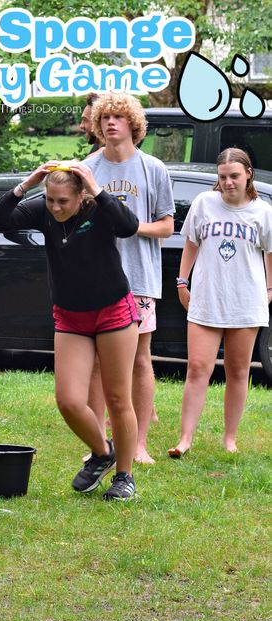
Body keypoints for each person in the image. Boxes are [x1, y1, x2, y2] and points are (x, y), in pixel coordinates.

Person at [0, 161, 140, 500]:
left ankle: (125, 477)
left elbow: (128, 227)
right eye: (51, 199)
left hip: (113, 311)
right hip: (70, 316)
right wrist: (28, 183)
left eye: (63, 202)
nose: (55, 208)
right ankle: (103, 453)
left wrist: (95, 187)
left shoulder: (98, 209)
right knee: (69, 400)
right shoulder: (43, 208)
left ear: (81, 196)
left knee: (117, 397)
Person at [83, 92, 175, 464]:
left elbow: (168, 226)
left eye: (119, 117)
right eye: (105, 117)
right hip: (96, 278)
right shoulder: (87, 168)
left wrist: (132, 226)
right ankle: (98, 444)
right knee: (97, 363)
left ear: (133, 126)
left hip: (138, 277)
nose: (110, 123)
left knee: (139, 359)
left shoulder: (153, 168)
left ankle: (137, 444)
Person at [168, 148, 272, 457]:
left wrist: (269, 288)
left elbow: (270, 252)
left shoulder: (262, 211)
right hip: (207, 297)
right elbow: (191, 243)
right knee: (198, 368)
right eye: (223, 177)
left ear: (248, 175)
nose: (228, 183)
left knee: (238, 371)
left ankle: (230, 439)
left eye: (234, 176)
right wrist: (182, 281)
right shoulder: (204, 203)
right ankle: (185, 438)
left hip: (245, 300)